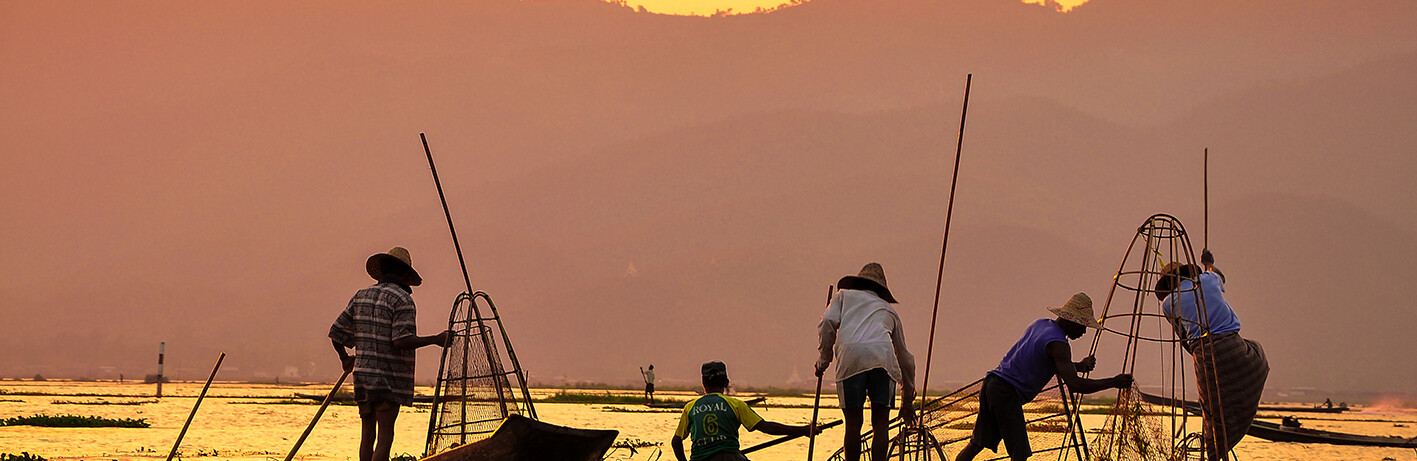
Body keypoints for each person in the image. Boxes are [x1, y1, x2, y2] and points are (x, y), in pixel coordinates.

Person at [956, 292, 1133, 461]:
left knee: (977, 444)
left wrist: (1079, 366)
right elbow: (1075, 385)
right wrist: (1114, 382)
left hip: (992, 384)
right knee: (1020, 454)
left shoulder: (1041, 325)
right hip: (1006, 393)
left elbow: (1046, 361)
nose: (1084, 332)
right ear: (1070, 321)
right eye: (1082, 326)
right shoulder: (1059, 344)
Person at [329, 247, 452, 461]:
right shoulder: (402, 299)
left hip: (364, 378)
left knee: (367, 435)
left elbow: (336, 333)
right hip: (389, 380)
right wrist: (436, 340)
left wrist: (345, 359)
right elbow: (401, 340)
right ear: (404, 274)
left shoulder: (361, 296)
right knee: (385, 437)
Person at [1155, 250, 1268, 461]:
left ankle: (1216, 454)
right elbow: (1219, 275)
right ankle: (1220, 450)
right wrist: (1208, 263)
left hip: (1204, 353)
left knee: (1212, 411)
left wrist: (1198, 352)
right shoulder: (1207, 279)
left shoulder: (1168, 304)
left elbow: (1182, 337)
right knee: (1258, 355)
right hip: (1233, 345)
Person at [815, 262, 916, 461]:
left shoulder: (842, 296)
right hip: (883, 358)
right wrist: (907, 400)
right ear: (881, 290)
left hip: (851, 358)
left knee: (853, 424)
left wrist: (823, 360)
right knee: (881, 424)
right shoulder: (888, 310)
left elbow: (827, 322)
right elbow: (905, 358)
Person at [671, 361, 819, 461]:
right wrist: (804, 430)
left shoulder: (690, 407)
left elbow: (676, 442)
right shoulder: (735, 404)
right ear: (727, 383)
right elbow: (766, 427)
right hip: (730, 457)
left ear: (703, 384)